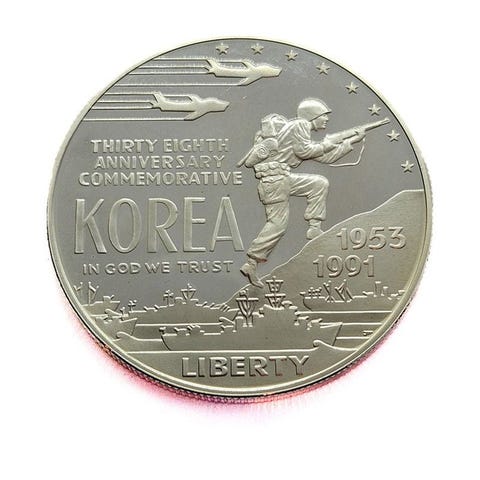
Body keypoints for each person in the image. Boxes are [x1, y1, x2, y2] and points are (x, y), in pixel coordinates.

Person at [239, 98, 365, 288]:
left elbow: (325, 157)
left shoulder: (297, 130)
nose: (326, 120)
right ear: (314, 116)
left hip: (282, 179)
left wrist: (350, 141)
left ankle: (314, 228)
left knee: (318, 183)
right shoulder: (301, 124)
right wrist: (328, 143)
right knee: (278, 225)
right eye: (324, 116)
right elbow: (305, 151)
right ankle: (251, 263)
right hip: (274, 181)